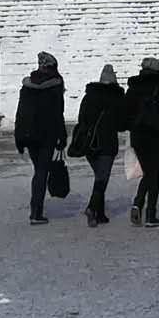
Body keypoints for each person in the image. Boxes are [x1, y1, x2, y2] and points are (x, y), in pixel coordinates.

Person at [14, 50, 67, 224]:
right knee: (42, 172)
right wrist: (62, 137)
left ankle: (35, 209)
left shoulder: (27, 86)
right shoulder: (55, 85)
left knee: (39, 171)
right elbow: (57, 114)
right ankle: (36, 212)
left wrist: (19, 137)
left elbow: (21, 113)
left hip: (29, 135)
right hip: (47, 135)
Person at [74, 64, 126, 227]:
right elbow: (121, 123)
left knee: (99, 176)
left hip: (89, 144)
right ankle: (92, 208)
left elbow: (82, 118)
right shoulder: (117, 98)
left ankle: (100, 213)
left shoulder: (89, 96)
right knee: (102, 178)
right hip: (107, 143)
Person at [126, 57, 159, 227]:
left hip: (138, 136)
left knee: (148, 172)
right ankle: (150, 215)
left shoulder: (133, 87)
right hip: (155, 135)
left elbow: (127, 111)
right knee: (154, 175)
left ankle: (137, 203)